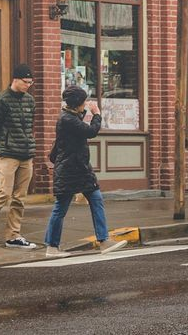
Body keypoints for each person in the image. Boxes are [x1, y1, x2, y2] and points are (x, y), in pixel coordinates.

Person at [45, 84, 125, 255]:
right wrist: (96, 114)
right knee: (61, 208)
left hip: (79, 169)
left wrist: (87, 112)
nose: (86, 103)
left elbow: (79, 121)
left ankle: (103, 240)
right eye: (84, 101)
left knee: (96, 199)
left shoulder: (69, 116)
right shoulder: (67, 119)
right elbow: (90, 131)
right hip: (70, 170)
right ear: (77, 103)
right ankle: (52, 246)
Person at [0, 64, 38, 249]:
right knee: (3, 193)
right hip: (7, 154)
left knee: (20, 197)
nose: (28, 85)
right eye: (26, 82)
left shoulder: (30, 101)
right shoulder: (0, 101)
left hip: (26, 154)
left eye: (31, 82)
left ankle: (13, 235)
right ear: (16, 79)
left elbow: (30, 126)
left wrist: (29, 144)